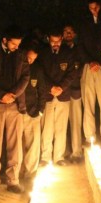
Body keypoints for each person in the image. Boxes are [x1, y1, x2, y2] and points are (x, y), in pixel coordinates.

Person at [0, 25, 29, 195]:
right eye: (14, 44)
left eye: (18, 44)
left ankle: (13, 180)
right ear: (4, 40)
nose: (17, 47)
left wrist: (13, 94)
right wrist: (1, 94)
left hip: (15, 104)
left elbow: (25, 77)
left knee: (14, 144)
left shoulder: (21, 54)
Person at [39, 28, 78, 165]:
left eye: (58, 41)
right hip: (47, 94)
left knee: (61, 127)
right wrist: (51, 87)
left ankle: (59, 157)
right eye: (53, 41)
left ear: (61, 39)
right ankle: (45, 157)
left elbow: (72, 73)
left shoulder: (68, 52)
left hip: (63, 94)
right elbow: (40, 73)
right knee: (47, 127)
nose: (55, 44)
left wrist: (61, 87)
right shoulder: (43, 52)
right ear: (48, 39)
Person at [77, 0, 101, 145]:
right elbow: (81, 45)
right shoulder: (84, 23)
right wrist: (90, 61)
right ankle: (90, 137)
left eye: (96, 7)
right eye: (91, 8)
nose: (94, 11)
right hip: (88, 66)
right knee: (88, 103)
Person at [21, 42, 46, 180]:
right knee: (17, 145)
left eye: (33, 59)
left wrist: (40, 110)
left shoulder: (37, 69)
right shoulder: (15, 67)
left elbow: (42, 91)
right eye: (28, 58)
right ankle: (17, 172)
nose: (29, 61)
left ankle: (30, 173)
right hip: (17, 111)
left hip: (33, 111)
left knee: (33, 144)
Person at [62, 24, 84, 162]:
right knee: (62, 124)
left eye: (70, 32)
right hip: (62, 91)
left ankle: (77, 152)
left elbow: (81, 68)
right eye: (65, 32)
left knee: (76, 121)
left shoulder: (79, 50)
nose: (68, 34)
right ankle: (63, 152)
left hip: (75, 88)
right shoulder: (60, 50)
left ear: (74, 34)